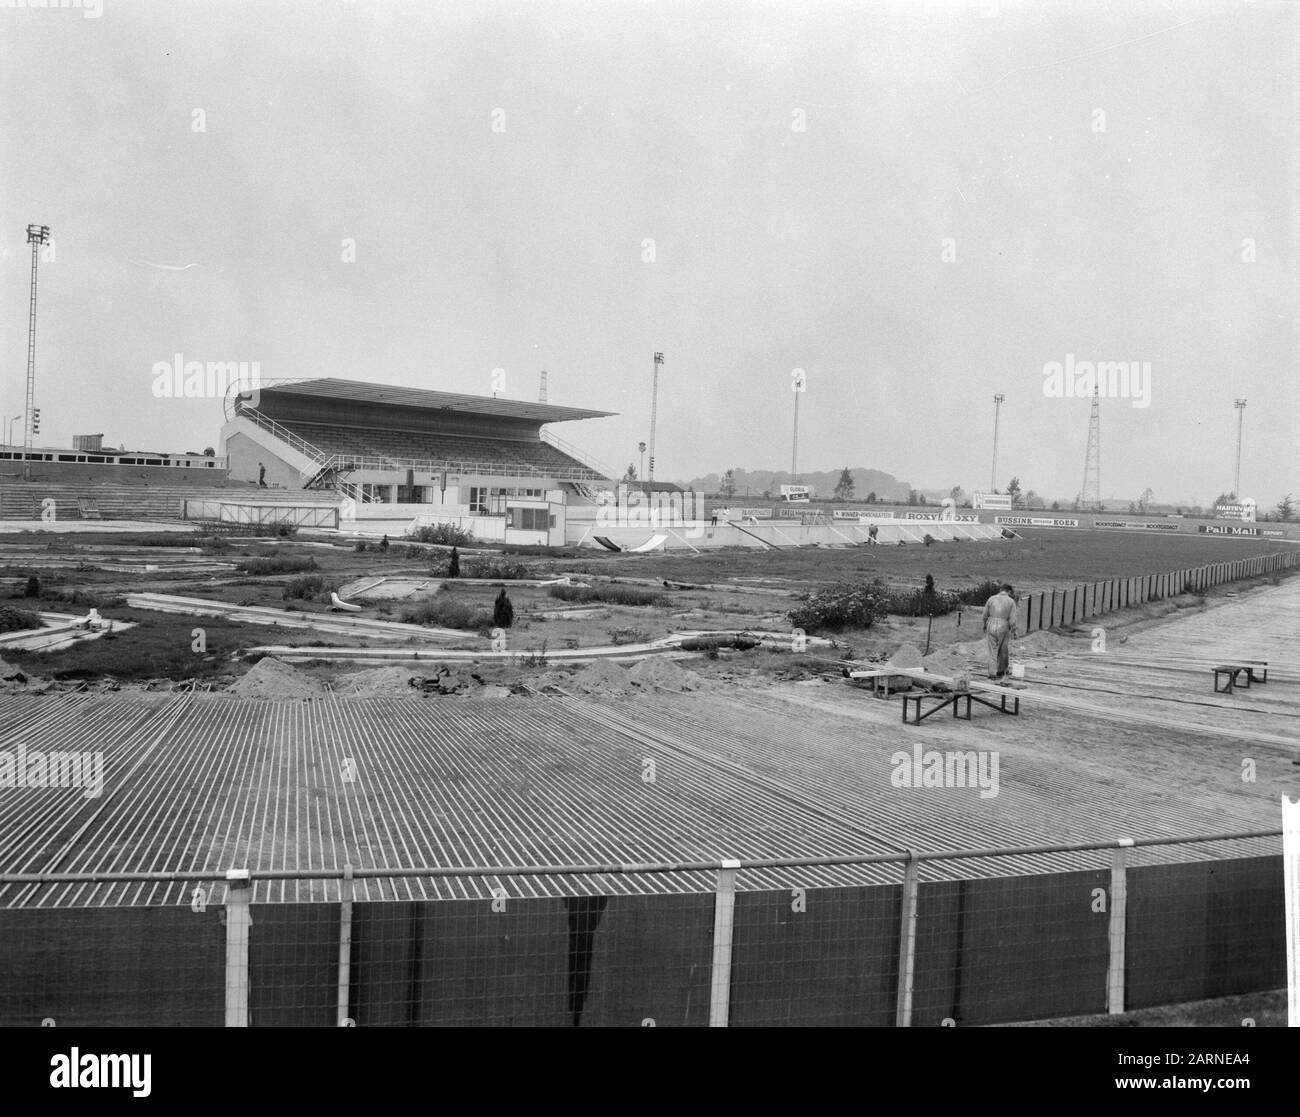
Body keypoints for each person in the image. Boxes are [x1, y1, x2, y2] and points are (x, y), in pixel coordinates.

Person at [981, 583, 1018, 679]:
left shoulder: (991, 599)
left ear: (1001, 589)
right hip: (1003, 625)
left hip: (991, 623)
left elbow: (985, 614)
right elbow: (1012, 620)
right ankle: (1001, 671)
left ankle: (992, 673)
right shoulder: (1011, 601)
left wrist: (984, 625)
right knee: (1003, 650)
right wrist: (1013, 630)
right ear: (1009, 591)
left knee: (992, 650)